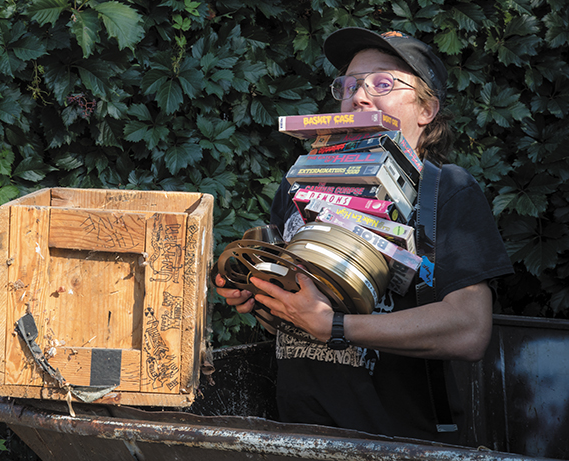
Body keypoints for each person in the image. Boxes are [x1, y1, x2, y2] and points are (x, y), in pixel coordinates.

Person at [214, 27, 514, 443]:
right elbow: (293, 319)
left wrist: (335, 326)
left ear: (426, 109)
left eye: (383, 84)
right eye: (350, 84)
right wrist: (264, 299)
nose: (359, 96)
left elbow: (468, 328)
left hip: (398, 445)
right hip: (296, 439)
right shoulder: (299, 184)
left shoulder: (446, 190)